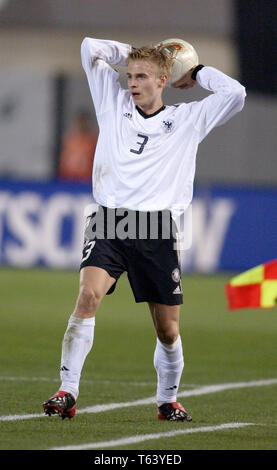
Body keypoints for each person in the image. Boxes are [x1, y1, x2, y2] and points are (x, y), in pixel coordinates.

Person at [43, 37, 246, 421]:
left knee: (168, 331)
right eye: (130, 76)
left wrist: (194, 70)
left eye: (142, 76)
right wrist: (140, 51)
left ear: (164, 80)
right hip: (108, 221)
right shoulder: (112, 103)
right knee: (87, 296)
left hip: (156, 230)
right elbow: (88, 47)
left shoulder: (188, 119)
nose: (132, 83)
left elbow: (235, 93)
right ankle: (66, 391)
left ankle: (167, 399)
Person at [57, 111, 98, 182]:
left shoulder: (93, 141)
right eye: (80, 122)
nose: (82, 125)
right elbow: (64, 162)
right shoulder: (70, 140)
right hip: (67, 179)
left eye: (85, 122)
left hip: (86, 181)